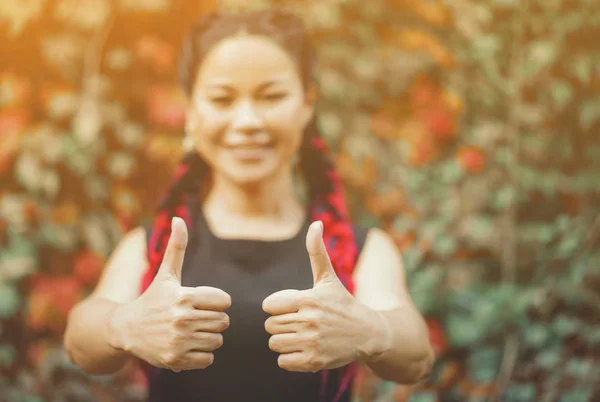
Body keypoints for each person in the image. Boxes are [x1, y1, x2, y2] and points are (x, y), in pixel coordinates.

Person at [64, 8, 434, 402]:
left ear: (307, 103)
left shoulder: (360, 249)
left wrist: (371, 331)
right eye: (222, 98)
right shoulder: (151, 245)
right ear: (191, 109)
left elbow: (417, 355)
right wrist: (124, 325)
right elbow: (79, 340)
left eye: (271, 96)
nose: (247, 121)